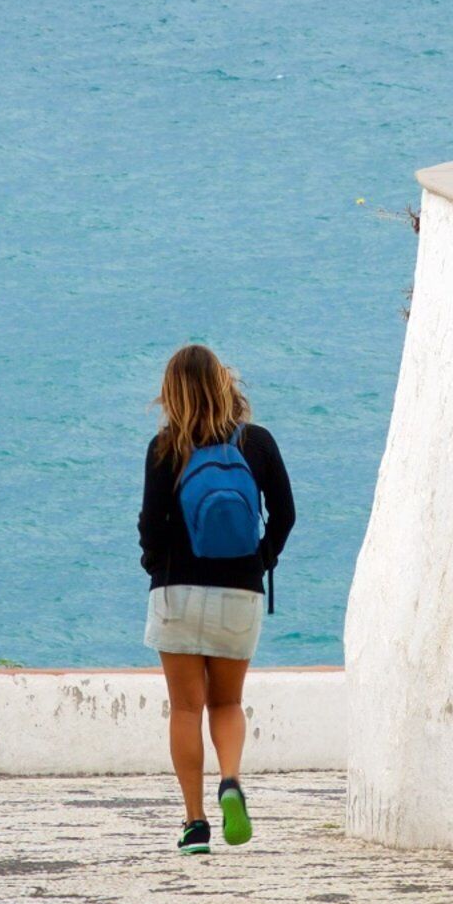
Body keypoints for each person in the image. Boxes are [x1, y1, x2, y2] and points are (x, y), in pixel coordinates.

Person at [136, 342, 295, 854]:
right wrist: (261, 560)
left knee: (186, 709)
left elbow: (150, 525)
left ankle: (195, 823)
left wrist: (155, 568)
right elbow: (285, 514)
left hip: (176, 590)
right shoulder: (259, 443)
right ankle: (230, 780)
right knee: (226, 702)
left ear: (172, 392)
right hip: (240, 591)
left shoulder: (165, 447)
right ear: (225, 384)